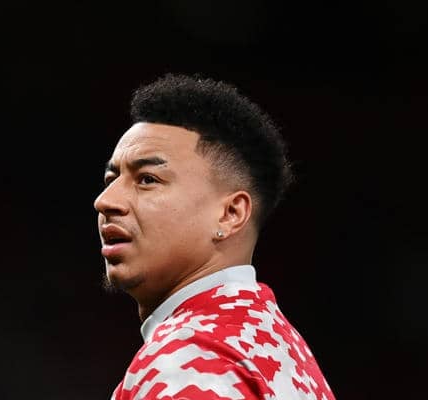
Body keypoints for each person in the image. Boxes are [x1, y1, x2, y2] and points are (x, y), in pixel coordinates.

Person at [94, 74, 335, 400]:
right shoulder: (286, 350)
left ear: (230, 214)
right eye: (111, 178)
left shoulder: (188, 359)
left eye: (147, 179)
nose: (105, 201)